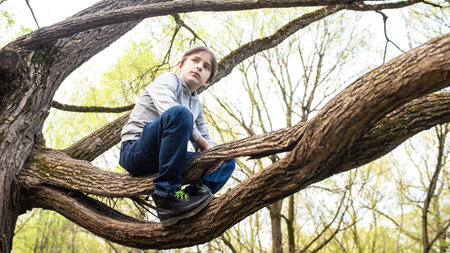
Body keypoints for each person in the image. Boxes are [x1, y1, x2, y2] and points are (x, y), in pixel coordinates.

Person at [119, 46, 235, 226]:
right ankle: (166, 197)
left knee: (226, 158)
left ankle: (191, 197)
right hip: (136, 152)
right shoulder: (168, 79)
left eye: (206, 67)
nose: (199, 67)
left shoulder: (196, 104)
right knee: (180, 114)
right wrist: (204, 145)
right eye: (195, 61)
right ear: (180, 65)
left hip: (167, 159)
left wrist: (216, 157)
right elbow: (170, 109)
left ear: (208, 81)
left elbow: (206, 139)